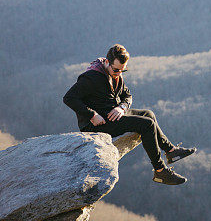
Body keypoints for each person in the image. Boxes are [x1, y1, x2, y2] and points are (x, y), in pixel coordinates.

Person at [63, 44, 196, 185]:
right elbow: (69, 98)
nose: (119, 73)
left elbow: (127, 95)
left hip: (113, 114)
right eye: (116, 70)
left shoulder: (115, 74)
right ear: (107, 62)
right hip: (97, 124)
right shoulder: (91, 78)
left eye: (123, 70)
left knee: (148, 114)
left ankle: (170, 151)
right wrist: (92, 115)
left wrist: (122, 107)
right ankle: (160, 171)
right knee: (147, 124)